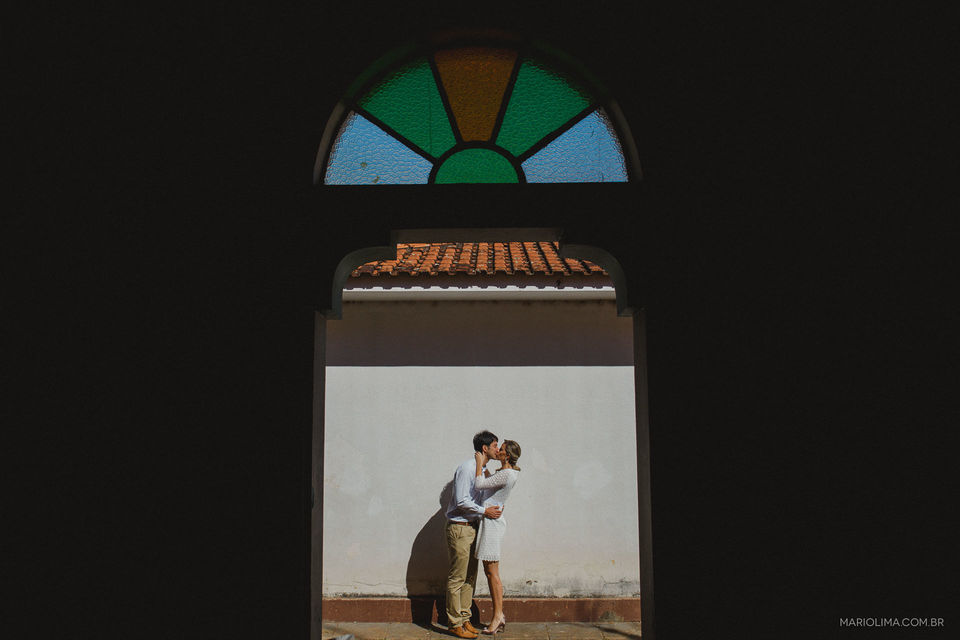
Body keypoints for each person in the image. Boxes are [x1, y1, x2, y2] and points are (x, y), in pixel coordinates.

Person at [444, 431, 503, 639]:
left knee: (470, 577)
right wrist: (484, 511)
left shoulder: (482, 470)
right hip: (460, 527)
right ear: (484, 448)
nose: (498, 449)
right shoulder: (467, 468)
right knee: (457, 577)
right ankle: (454, 623)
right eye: (495, 445)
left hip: (473, 527)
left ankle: (465, 618)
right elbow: (461, 501)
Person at [473, 439, 521, 635]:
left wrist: (479, 462)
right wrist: (486, 469)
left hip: (492, 524)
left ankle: (498, 615)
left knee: (492, 572)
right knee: (489, 570)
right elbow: (491, 487)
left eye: (500, 450)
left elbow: (479, 485)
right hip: (490, 521)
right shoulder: (505, 473)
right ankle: (498, 615)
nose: (498, 451)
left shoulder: (507, 473)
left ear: (506, 455)